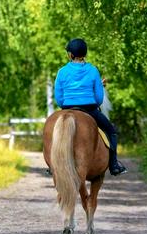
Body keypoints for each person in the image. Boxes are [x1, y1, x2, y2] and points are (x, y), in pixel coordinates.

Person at [54, 38, 127, 176]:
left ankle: (53, 165)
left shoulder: (62, 72)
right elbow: (99, 98)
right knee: (111, 131)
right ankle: (114, 164)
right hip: (89, 110)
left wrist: (66, 104)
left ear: (70, 55)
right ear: (85, 54)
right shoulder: (93, 70)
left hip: (68, 108)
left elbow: (58, 97)